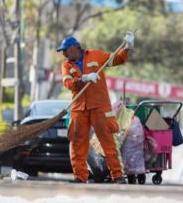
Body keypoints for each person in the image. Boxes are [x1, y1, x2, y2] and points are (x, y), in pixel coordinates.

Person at [57, 32, 135, 184]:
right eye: (63, 52)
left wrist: (128, 47)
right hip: (79, 108)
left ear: (74, 48)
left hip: (100, 106)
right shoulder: (66, 65)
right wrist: (83, 78)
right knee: (78, 143)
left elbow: (117, 59)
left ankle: (117, 176)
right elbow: (68, 83)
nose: (64, 54)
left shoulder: (95, 55)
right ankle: (80, 177)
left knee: (108, 142)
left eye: (65, 50)